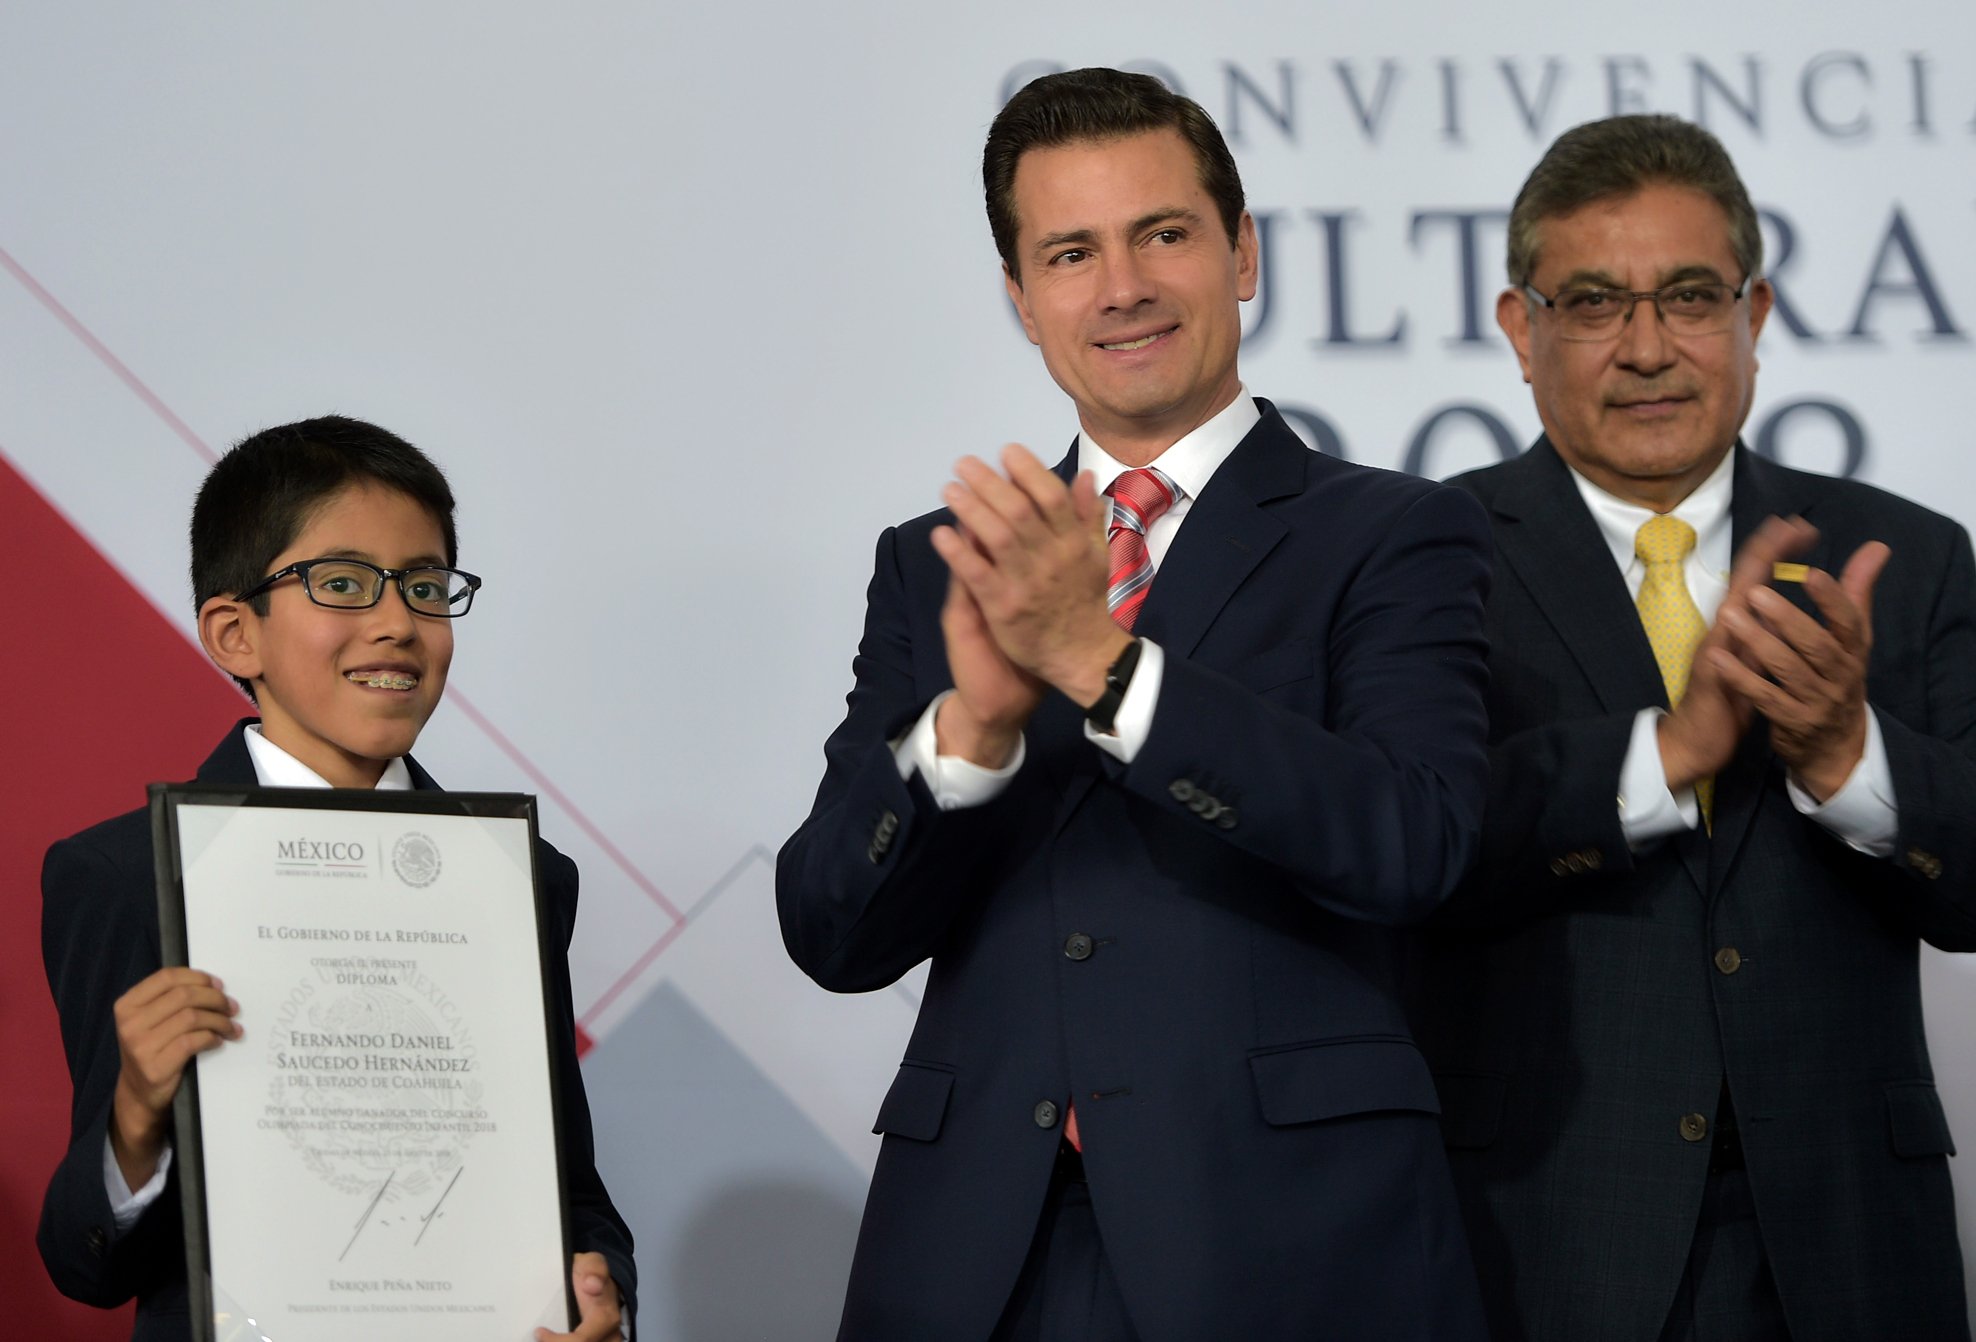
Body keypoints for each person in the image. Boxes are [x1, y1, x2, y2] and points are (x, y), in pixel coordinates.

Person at [777, 67, 1492, 1342]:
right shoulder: (933, 559)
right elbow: (831, 932)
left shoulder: (1394, 531)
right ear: (1022, 299)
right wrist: (970, 739)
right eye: (1070, 252)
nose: (1120, 287)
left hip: (1285, 1243)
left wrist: (1102, 667)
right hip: (976, 1258)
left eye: (1161, 233)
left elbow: (1410, 840)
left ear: (1242, 254)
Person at [1411, 114, 1976, 1342]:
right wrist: (1662, 757)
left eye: (1686, 296)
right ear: (1521, 330)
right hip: (1536, 1236)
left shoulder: (1904, 557)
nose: (1649, 348)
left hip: (1849, 1247)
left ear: (1753, 317)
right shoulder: (1422, 560)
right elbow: (1403, 854)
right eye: (1595, 304)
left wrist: (1843, 754)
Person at [37, 416, 636, 1342]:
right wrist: (133, 1118)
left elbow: (568, 1188)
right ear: (237, 634)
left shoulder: (518, 877)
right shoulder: (126, 876)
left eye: (426, 587)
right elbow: (85, 1263)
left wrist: (603, 1299)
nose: (398, 623)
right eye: (344, 584)